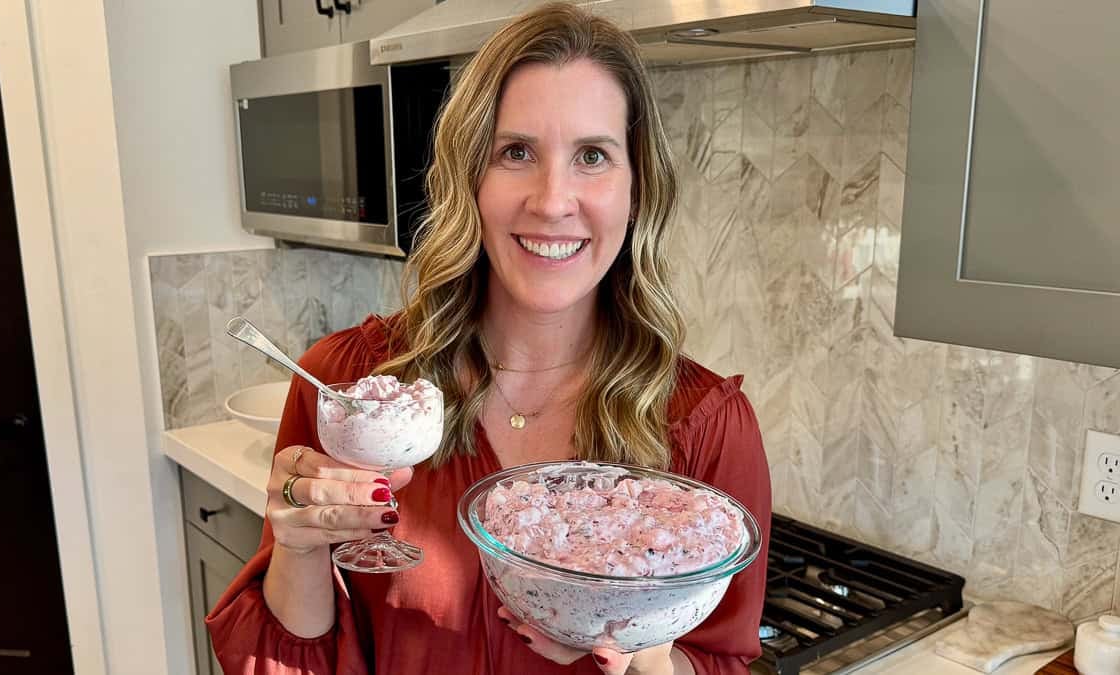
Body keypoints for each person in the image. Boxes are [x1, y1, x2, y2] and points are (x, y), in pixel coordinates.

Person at [206, 3, 771, 674]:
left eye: (593, 155)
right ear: (470, 178)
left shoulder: (705, 424)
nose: (553, 199)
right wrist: (299, 547)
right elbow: (295, 661)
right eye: (516, 152)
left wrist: (639, 651)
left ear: (636, 188)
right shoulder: (349, 391)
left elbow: (721, 662)